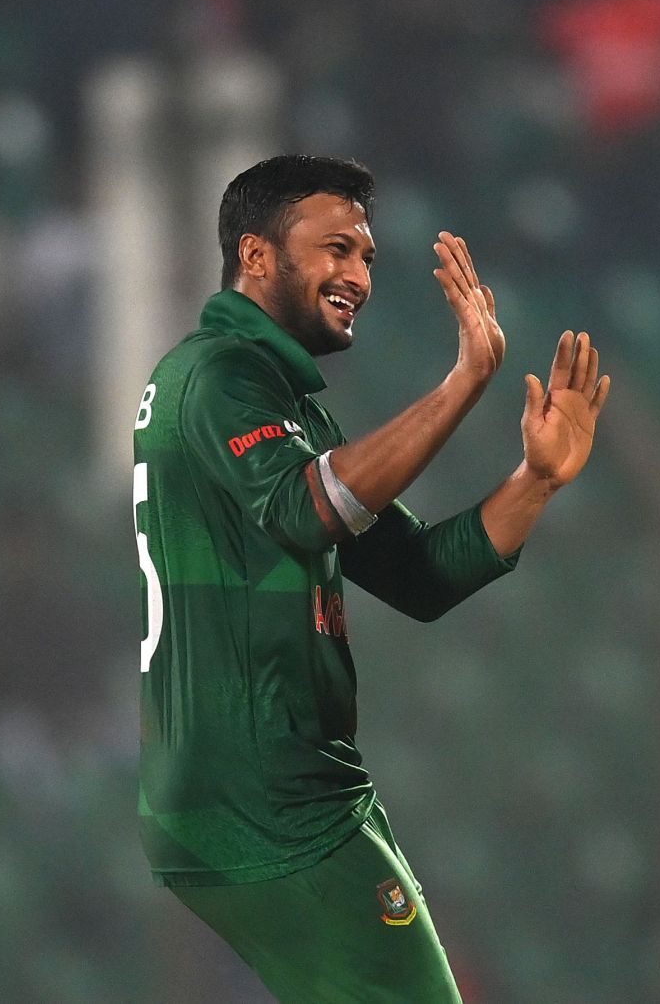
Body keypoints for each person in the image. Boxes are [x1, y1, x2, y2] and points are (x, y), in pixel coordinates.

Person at [131, 154, 610, 1002]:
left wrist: (535, 479)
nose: (358, 275)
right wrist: (464, 383)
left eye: (368, 258)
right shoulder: (219, 375)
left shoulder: (280, 403)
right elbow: (307, 510)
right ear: (255, 254)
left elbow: (421, 575)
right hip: (266, 795)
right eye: (336, 249)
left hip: (272, 786)